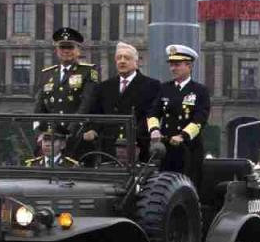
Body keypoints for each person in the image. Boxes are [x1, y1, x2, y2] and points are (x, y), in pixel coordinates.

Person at [80, 42, 160, 163]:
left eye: (127, 58)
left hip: (137, 146)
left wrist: (136, 134)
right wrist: (93, 129)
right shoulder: (104, 87)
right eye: (119, 58)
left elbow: (151, 114)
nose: (122, 61)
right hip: (109, 147)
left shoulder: (151, 85)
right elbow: (96, 114)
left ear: (137, 62)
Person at [147, 45, 211, 188]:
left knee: (188, 186)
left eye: (177, 65)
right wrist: (154, 129)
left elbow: (200, 118)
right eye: (171, 65)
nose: (173, 69)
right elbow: (153, 112)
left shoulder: (199, 90)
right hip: (166, 147)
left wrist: (183, 135)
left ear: (189, 66)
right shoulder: (164, 88)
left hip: (189, 148)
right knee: (164, 186)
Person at [34, 27, 100, 157]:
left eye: (70, 47)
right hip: (50, 137)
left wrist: (68, 133)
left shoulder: (88, 71)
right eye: (62, 47)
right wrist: (39, 133)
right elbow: (39, 108)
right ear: (56, 50)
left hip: (76, 137)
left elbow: (86, 105)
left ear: (78, 50)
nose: (66, 51)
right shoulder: (47, 74)